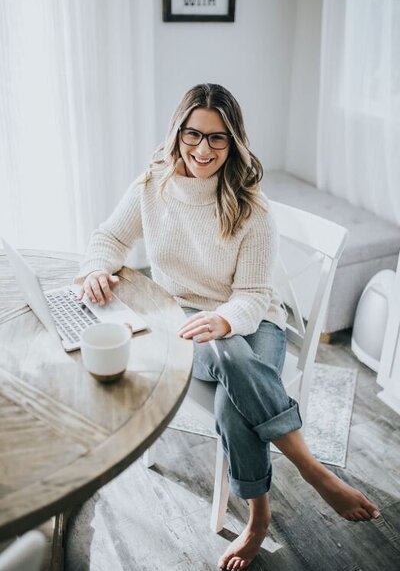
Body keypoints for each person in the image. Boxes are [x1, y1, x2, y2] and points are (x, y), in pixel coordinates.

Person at [77, 83, 380, 570]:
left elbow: (256, 295)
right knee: (225, 355)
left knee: (232, 372)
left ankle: (258, 520)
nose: (203, 149)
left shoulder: (250, 206)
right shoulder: (151, 188)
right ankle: (310, 467)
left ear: (234, 141)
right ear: (177, 133)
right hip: (184, 325)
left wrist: (224, 319)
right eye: (193, 134)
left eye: (218, 138)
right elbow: (109, 236)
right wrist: (97, 267)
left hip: (251, 319)